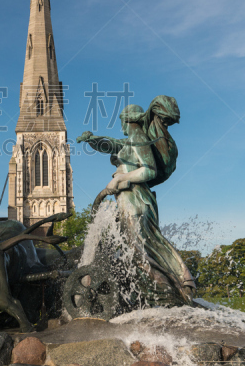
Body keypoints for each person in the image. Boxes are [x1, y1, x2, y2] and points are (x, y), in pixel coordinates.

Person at [77, 95, 196, 305]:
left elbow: (148, 171)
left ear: (128, 120)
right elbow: (111, 144)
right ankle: (159, 291)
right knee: (137, 247)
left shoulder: (138, 139)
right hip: (130, 199)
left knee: (138, 248)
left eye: (123, 121)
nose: (121, 125)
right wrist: (92, 139)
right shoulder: (132, 140)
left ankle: (168, 292)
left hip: (136, 200)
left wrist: (121, 178)